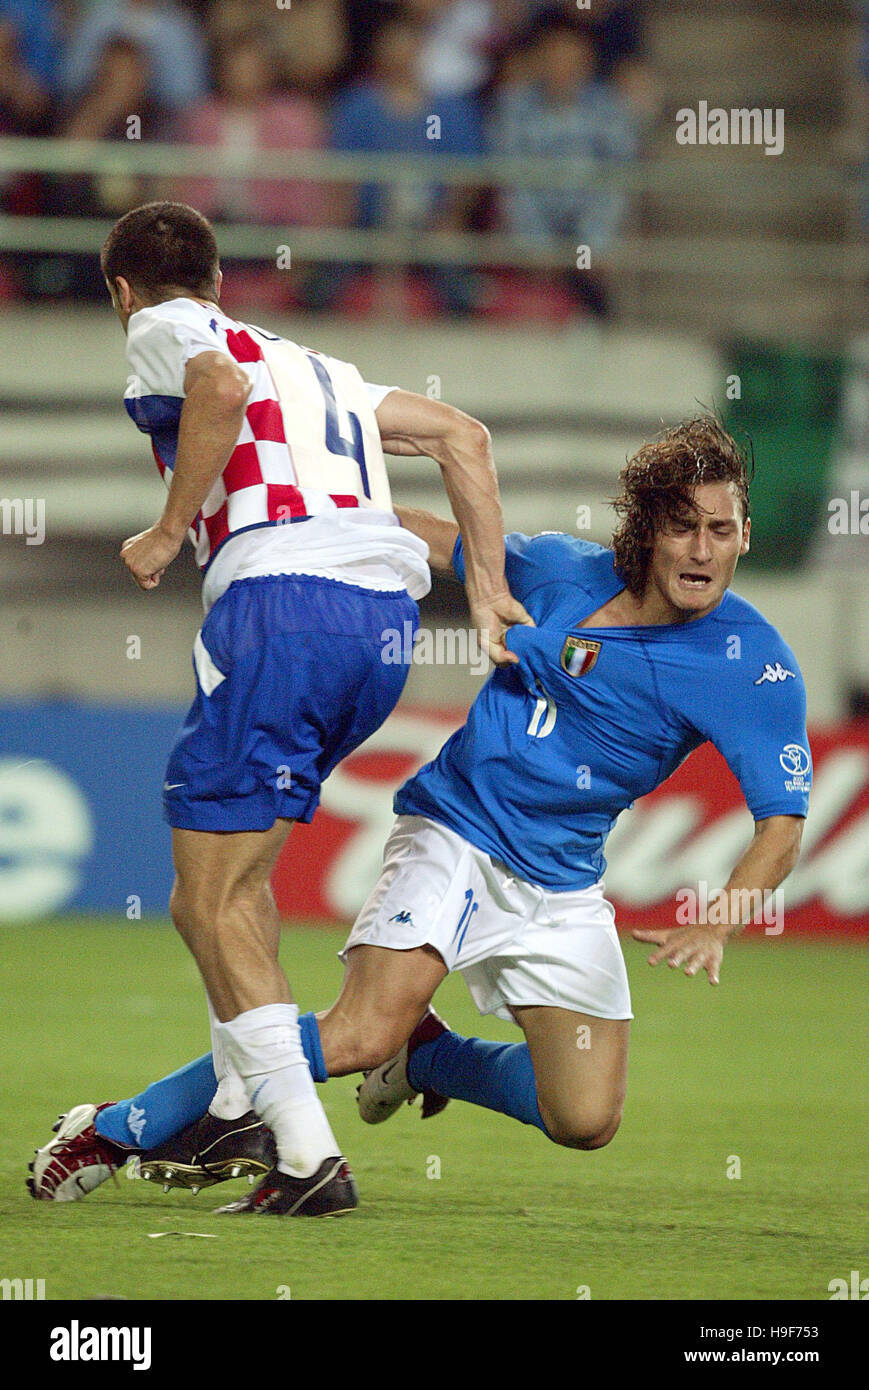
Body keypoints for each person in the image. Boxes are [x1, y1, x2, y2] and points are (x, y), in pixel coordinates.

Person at [29, 416, 812, 1209]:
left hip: (563, 878)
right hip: (455, 831)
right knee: (360, 1030)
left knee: (583, 1116)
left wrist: (719, 919)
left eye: (721, 530)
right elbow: (426, 535)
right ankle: (116, 1125)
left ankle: (424, 1058)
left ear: (743, 536)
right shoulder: (555, 570)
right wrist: (303, 517)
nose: (703, 551)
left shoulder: (752, 665)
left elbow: (779, 822)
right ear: (648, 532)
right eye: (683, 528)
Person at [27, 200, 529, 1216]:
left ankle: (305, 1156)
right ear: (218, 277)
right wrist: (482, 589)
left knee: (204, 898)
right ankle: (239, 1095)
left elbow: (214, 385)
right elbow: (461, 435)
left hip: (281, 608)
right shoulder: (324, 369)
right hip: (379, 629)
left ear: (123, 289)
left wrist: (171, 529)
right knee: (229, 889)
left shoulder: (166, 330)